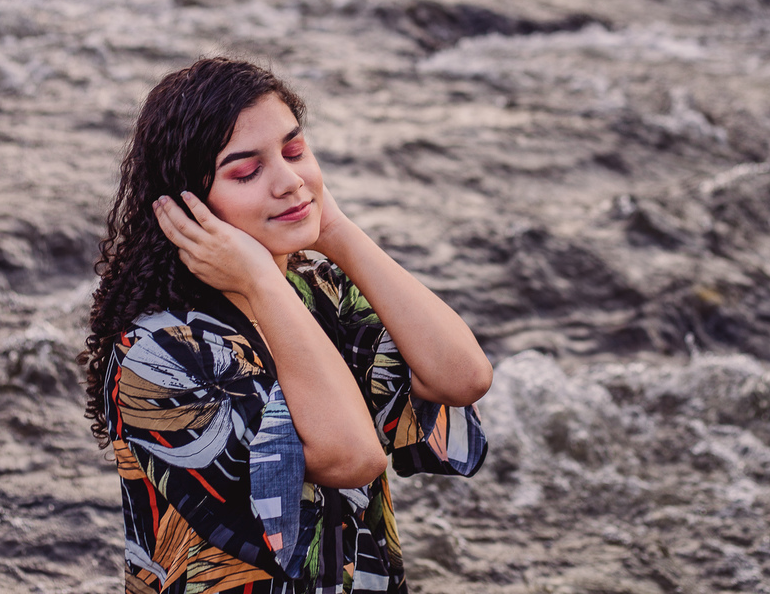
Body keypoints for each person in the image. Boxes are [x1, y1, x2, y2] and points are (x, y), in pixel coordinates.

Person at [79, 57, 493, 594]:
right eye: (247, 171)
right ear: (186, 207)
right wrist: (262, 282)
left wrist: (336, 230)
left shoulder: (319, 288)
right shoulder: (156, 355)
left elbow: (463, 377)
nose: (289, 181)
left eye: (295, 151)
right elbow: (354, 457)